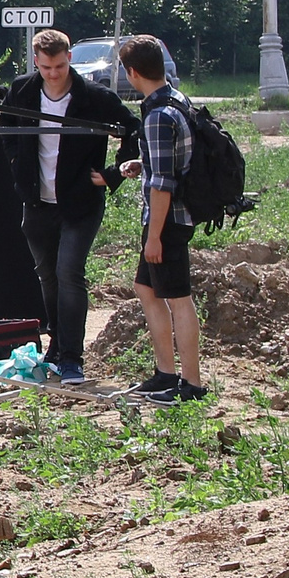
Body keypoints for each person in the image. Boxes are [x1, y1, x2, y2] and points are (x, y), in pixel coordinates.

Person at [0, 28, 137, 385]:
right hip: (37, 203)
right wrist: (14, 163)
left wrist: (114, 172)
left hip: (80, 203)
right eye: (46, 67)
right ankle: (56, 345)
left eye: (58, 66)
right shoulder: (22, 90)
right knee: (48, 275)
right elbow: (7, 125)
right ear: (36, 62)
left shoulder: (95, 97)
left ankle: (72, 357)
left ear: (69, 59)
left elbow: (133, 128)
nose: (53, 74)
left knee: (70, 273)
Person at [115, 35, 206, 403]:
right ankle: (165, 374)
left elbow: (164, 184)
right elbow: (170, 161)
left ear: (133, 73)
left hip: (166, 220)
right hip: (170, 217)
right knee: (147, 288)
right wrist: (143, 163)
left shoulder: (156, 117)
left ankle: (192, 385)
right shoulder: (176, 101)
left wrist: (155, 236)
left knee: (178, 298)